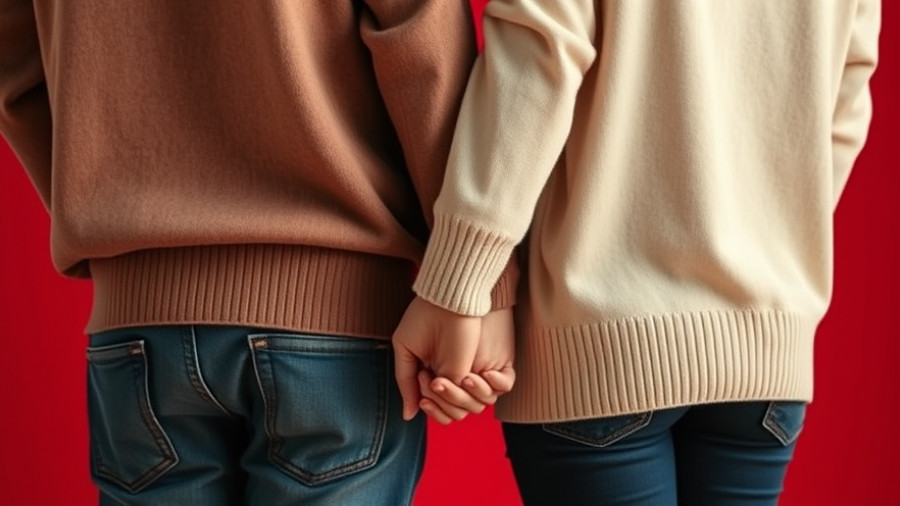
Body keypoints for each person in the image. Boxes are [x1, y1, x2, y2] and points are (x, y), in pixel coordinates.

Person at [0, 1, 518, 504]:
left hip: (135, 326)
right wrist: (475, 280)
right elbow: (422, 48)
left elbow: (13, 60)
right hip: (333, 315)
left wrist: (101, 204)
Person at [393, 0, 880, 504]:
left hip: (598, 333)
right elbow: (847, 95)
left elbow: (541, 51)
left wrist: (461, 281)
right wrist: (772, 244)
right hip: (767, 346)